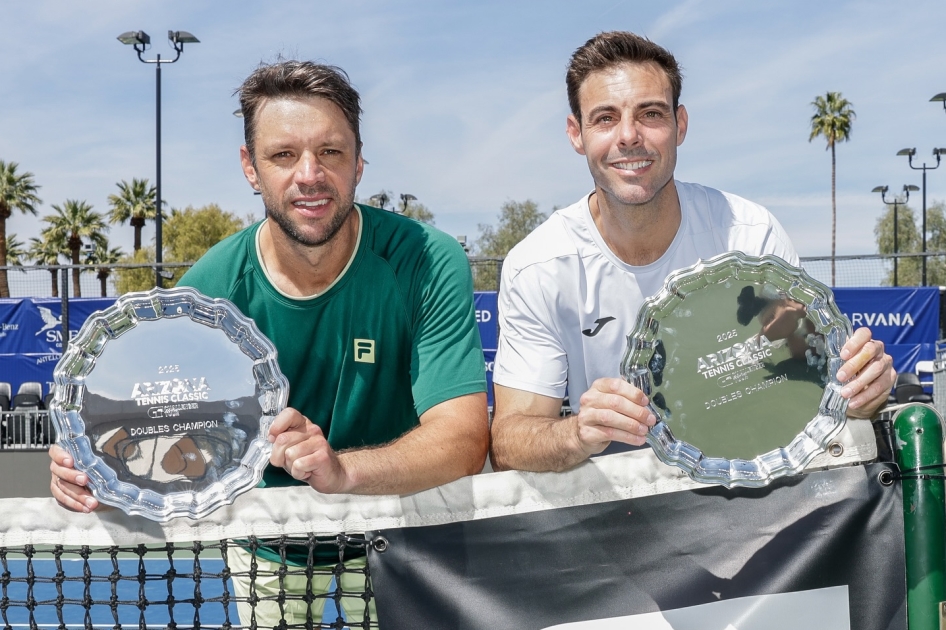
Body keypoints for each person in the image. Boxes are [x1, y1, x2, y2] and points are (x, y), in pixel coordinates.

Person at [49, 60, 489, 625]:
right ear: (250, 167)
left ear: (359, 160)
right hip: (270, 541)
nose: (309, 174)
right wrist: (97, 467)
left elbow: (462, 438)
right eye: (284, 155)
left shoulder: (427, 260)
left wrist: (343, 471)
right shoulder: (209, 290)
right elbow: (161, 434)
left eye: (330, 151)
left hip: (404, 529)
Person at [489, 31, 895, 473]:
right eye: (605, 118)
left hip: (757, 499)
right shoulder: (538, 266)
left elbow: (812, 389)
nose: (629, 136)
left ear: (680, 125)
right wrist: (579, 433)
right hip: (618, 511)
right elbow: (510, 441)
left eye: (650, 114)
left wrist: (859, 395)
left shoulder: (750, 235)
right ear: (576, 134)